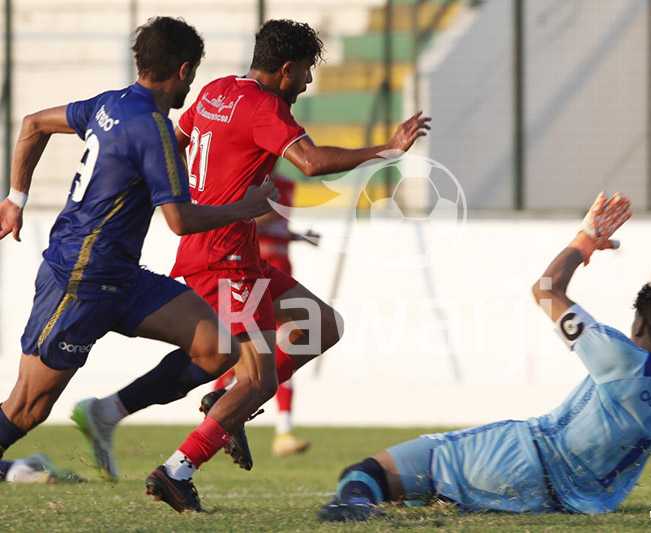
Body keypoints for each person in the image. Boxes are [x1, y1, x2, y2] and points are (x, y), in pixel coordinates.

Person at [78, 19, 431, 512]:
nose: (307, 83)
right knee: (260, 379)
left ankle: (226, 399)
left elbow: (174, 143)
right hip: (223, 259)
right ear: (286, 69)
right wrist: (387, 150)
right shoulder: (264, 108)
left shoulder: (216, 91)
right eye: (306, 72)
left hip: (241, 254)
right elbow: (309, 161)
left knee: (322, 324)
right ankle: (177, 470)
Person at [318, 192, 651, 521]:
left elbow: (546, 290)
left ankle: (354, 504)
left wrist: (584, 240)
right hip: (568, 501)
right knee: (425, 488)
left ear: (639, 327)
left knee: (371, 471)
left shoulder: (622, 357)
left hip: (524, 459)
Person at [0, 16, 277, 500]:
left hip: (122, 277)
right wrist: (248, 207)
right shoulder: (153, 128)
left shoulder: (111, 104)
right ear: (185, 70)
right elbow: (179, 220)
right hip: (80, 279)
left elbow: (32, 125)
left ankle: (107, 412)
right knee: (27, 409)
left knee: (217, 348)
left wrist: (15, 200)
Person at [212, 174, 318, 457]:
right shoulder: (245, 179)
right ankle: (217, 409)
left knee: (289, 345)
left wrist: (297, 235)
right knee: (236, 353)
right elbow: (238, 224)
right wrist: (263, 214)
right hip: (246, 275)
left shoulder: (286, 183)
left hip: (280, 275)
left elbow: (273, 226)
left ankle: (283, 430)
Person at [0, 454, 82, 484]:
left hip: (12, 473)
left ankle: (67, 478)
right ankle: (74, 477)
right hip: (16, 463)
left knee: (47, 477)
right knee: (38, 459)